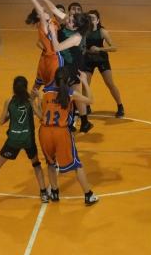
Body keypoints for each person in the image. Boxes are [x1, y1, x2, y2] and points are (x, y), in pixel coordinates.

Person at [0, 76, 49, 209]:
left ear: (13, 88)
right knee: (36, 165)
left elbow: (1, 121)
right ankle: (43, 193)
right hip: (27, 140)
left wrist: (11, 115)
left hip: (13, 140)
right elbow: (41, 117)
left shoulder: (9, 101)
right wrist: (39, 99)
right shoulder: (30, 101)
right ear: (26, 87)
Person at [38, 67, 99, 206]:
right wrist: (84, 81)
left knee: (50, 163)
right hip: (61, 132)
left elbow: (41, 114)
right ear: (68, 80)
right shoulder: (71, 93)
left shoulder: (45, 93)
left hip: (44, 132)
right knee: (77, 164)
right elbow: (90, 100)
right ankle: (88, 195)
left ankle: (54, 192)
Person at [83, 9, 124, 118]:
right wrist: (87, 51)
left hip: (101, 59)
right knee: (85, 84)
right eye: (89, 18)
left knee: (110, 84)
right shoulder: (84, 31)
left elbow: (114, 48)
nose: (91, 21)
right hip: (88, 60)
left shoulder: (102, 32)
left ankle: (120, 106)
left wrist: (100, 49)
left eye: (93, 18)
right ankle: (87, 106)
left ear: (97, 20)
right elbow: (80, 48)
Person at [26, 0, 66, 89]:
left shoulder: (51, 22)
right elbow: (41, 12)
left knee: (37, 84)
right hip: (54, 58)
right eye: (44, 11)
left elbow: (53, 9)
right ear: (39, 16)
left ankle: (30, 103)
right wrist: (34, 0)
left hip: (44, 58)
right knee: (54, 87)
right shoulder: (44, 25)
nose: (46, 11)